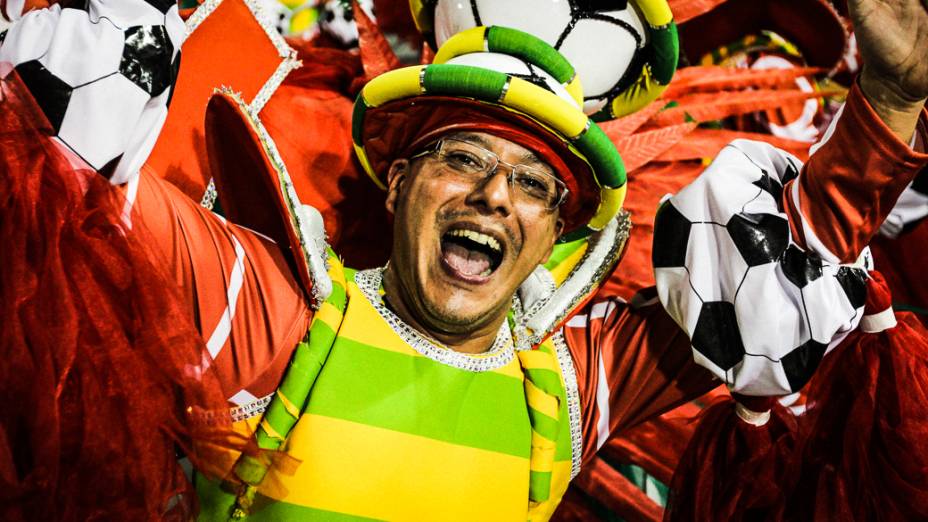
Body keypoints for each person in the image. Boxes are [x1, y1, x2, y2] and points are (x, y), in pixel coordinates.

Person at [0, 0, 926, 521]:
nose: (494, 195)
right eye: (464, 159)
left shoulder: (572, 386)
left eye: (533, 185)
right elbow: (78, 169)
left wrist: (884, 104)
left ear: (555, 235)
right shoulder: (275, 316)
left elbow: (780, 273)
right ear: (399, 184)